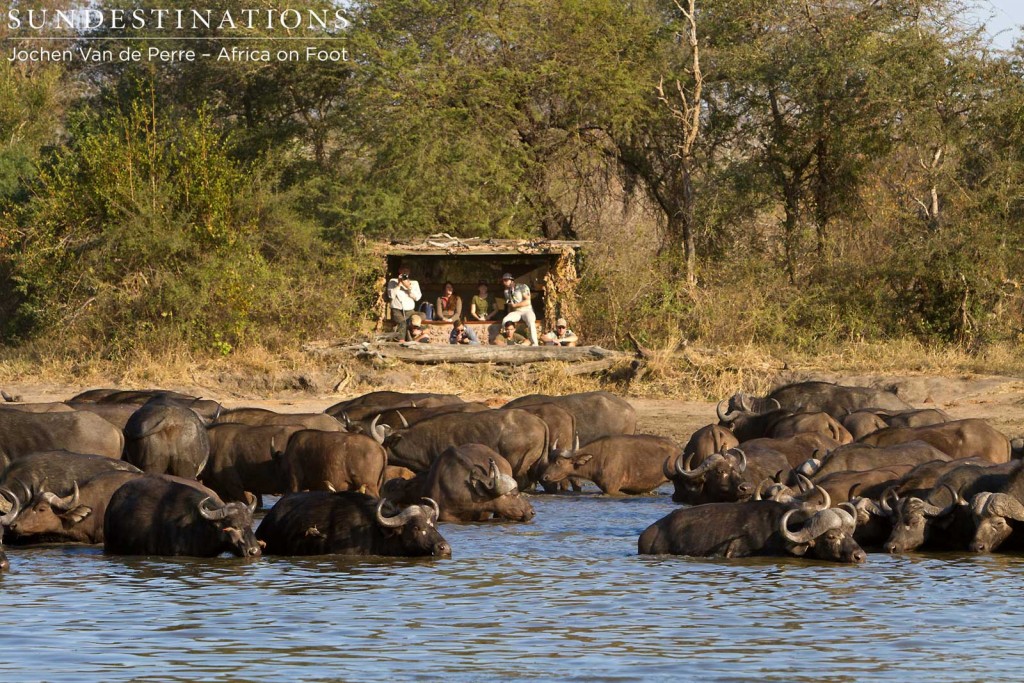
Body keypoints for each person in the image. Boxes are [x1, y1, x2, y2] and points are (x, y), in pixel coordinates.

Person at [500, 273, 538, 346]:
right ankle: (505, 342)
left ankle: (535, 343)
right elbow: (510, 306)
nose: (504, 282)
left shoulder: (522, 287)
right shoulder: (506, 291)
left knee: (531, 321)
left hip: (527, 310)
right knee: (505, 320)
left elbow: (528, 301)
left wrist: (515, 305)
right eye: (503, 280)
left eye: (506, 280)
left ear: (511, 280)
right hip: (516, 312)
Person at [386, 266, 422, 341]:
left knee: (420, 317)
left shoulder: (414, 283)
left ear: (409, 272)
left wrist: (408, 288)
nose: (405, 272)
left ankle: (414, 337)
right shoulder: (393, 281)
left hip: (409, 310)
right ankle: (401, 340)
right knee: (402, 323)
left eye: (407, 271)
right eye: (403, 271)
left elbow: (417, 297)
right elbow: (391, 295)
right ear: (400, 271)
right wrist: (398, 284)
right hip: (397, 309)